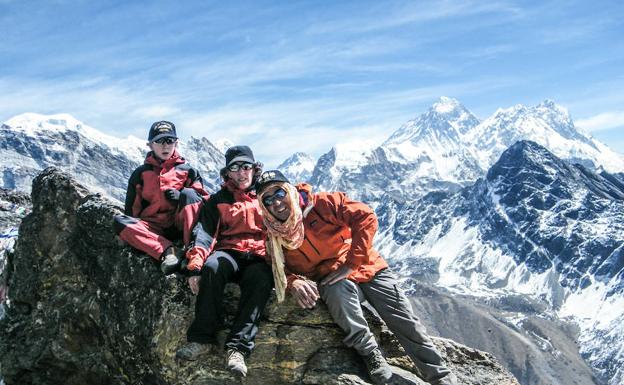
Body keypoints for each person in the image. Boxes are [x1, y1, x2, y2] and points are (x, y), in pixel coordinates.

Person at [254, 170, 458, 385]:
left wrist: (352, 262)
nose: (276, 203)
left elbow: (365, 216)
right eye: (267, 200)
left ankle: (440, 376)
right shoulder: (273, 236)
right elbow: (275, 265)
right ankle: (372, 355)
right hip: (333, 279)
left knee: (403, 319)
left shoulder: (322, 204)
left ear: (291, 190)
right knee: (337, 293)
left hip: (368, 267)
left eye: (278, 193)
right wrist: (294, 282)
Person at [175, 145, 273, 378]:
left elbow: (292, 207)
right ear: (227, 172)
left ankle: (237, 349)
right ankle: (202, 338)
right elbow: (205, 235)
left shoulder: (266, 196)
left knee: (261, 279)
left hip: (258, 256)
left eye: (246, 166)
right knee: (213, 266)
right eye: (235, 167)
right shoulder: (217, 200)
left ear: (254, 169)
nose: (242, 172)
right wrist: (195, 267)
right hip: (229, 252)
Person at [114, 121, 208, 274]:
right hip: (152, 228)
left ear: (176, 143)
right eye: (159, 141)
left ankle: (191, 251)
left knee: (190, 194)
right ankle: (169, 251)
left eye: (169, 141)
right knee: (120, 222)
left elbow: (202, 202)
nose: (165, 146)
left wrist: (181, 197)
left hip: (180, 225)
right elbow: (131, 212)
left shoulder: (188, 171)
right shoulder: (141, 174)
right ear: (150, 145)